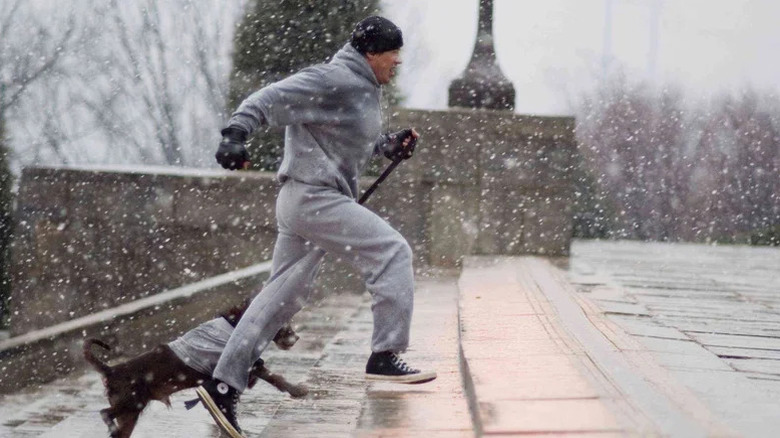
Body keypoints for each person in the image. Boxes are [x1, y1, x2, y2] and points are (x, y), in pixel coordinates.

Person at [195, 16, 436, 437]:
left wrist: (388, 145)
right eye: (393, 53)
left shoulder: (362, 87)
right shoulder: (332, 78)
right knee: (392, 251)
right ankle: (385, 355)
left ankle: (222, 385)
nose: (398, 61)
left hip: (310, 200)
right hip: (313, 198)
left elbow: (348, 137)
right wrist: (235, 133)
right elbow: (267, 99)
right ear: (371, 53)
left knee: (282, 297)